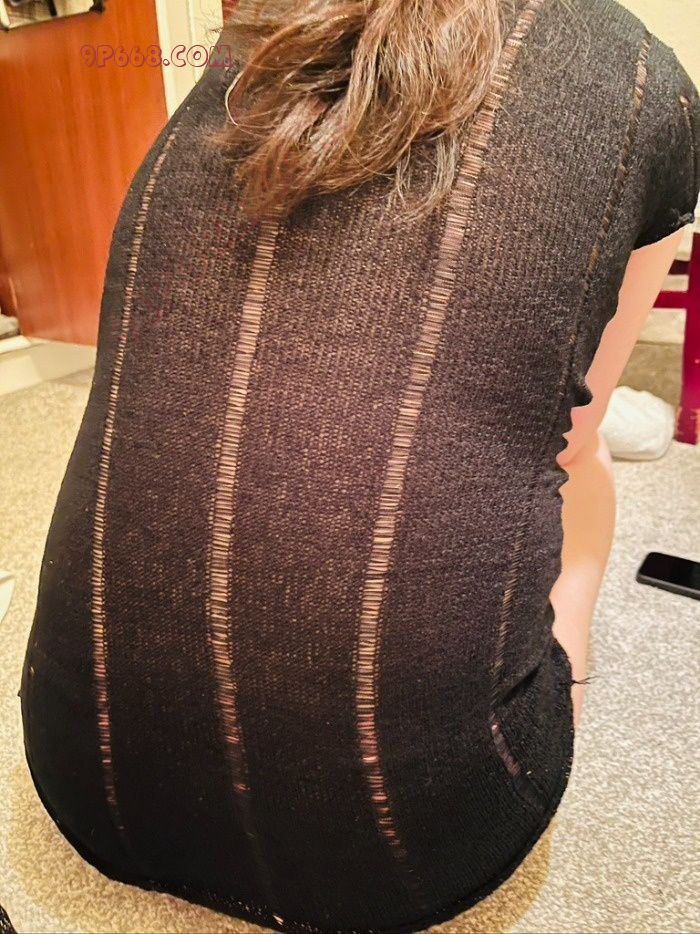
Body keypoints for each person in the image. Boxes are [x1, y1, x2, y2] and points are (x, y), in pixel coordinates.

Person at [19, 1, 700, 931]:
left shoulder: (250, 44)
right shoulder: (642, 79)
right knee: (585, 454)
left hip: (81, 767)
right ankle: (558, 685)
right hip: (418, 842)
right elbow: (572, 432)